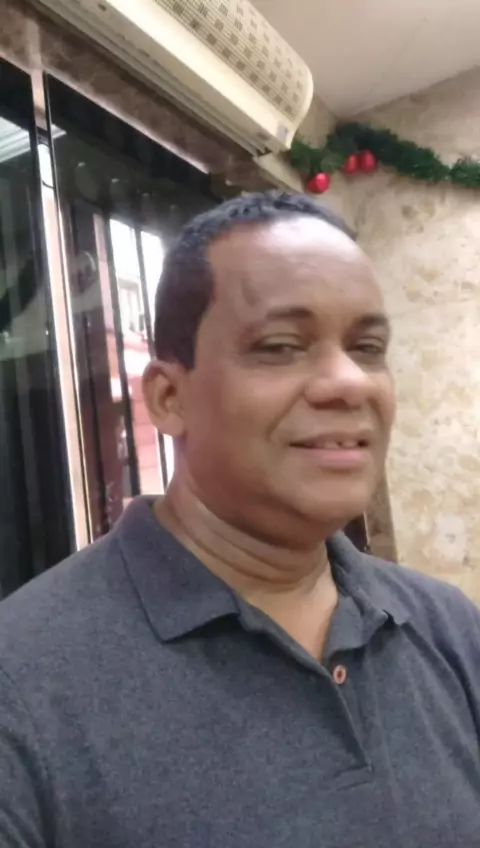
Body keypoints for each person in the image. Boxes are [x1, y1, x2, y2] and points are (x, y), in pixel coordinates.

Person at [0, 191, 479, 847]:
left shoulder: (446, 626)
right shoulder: (23, 683)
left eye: (368, 347)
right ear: (169, 397)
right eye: (281, 346)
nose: (350, 382)